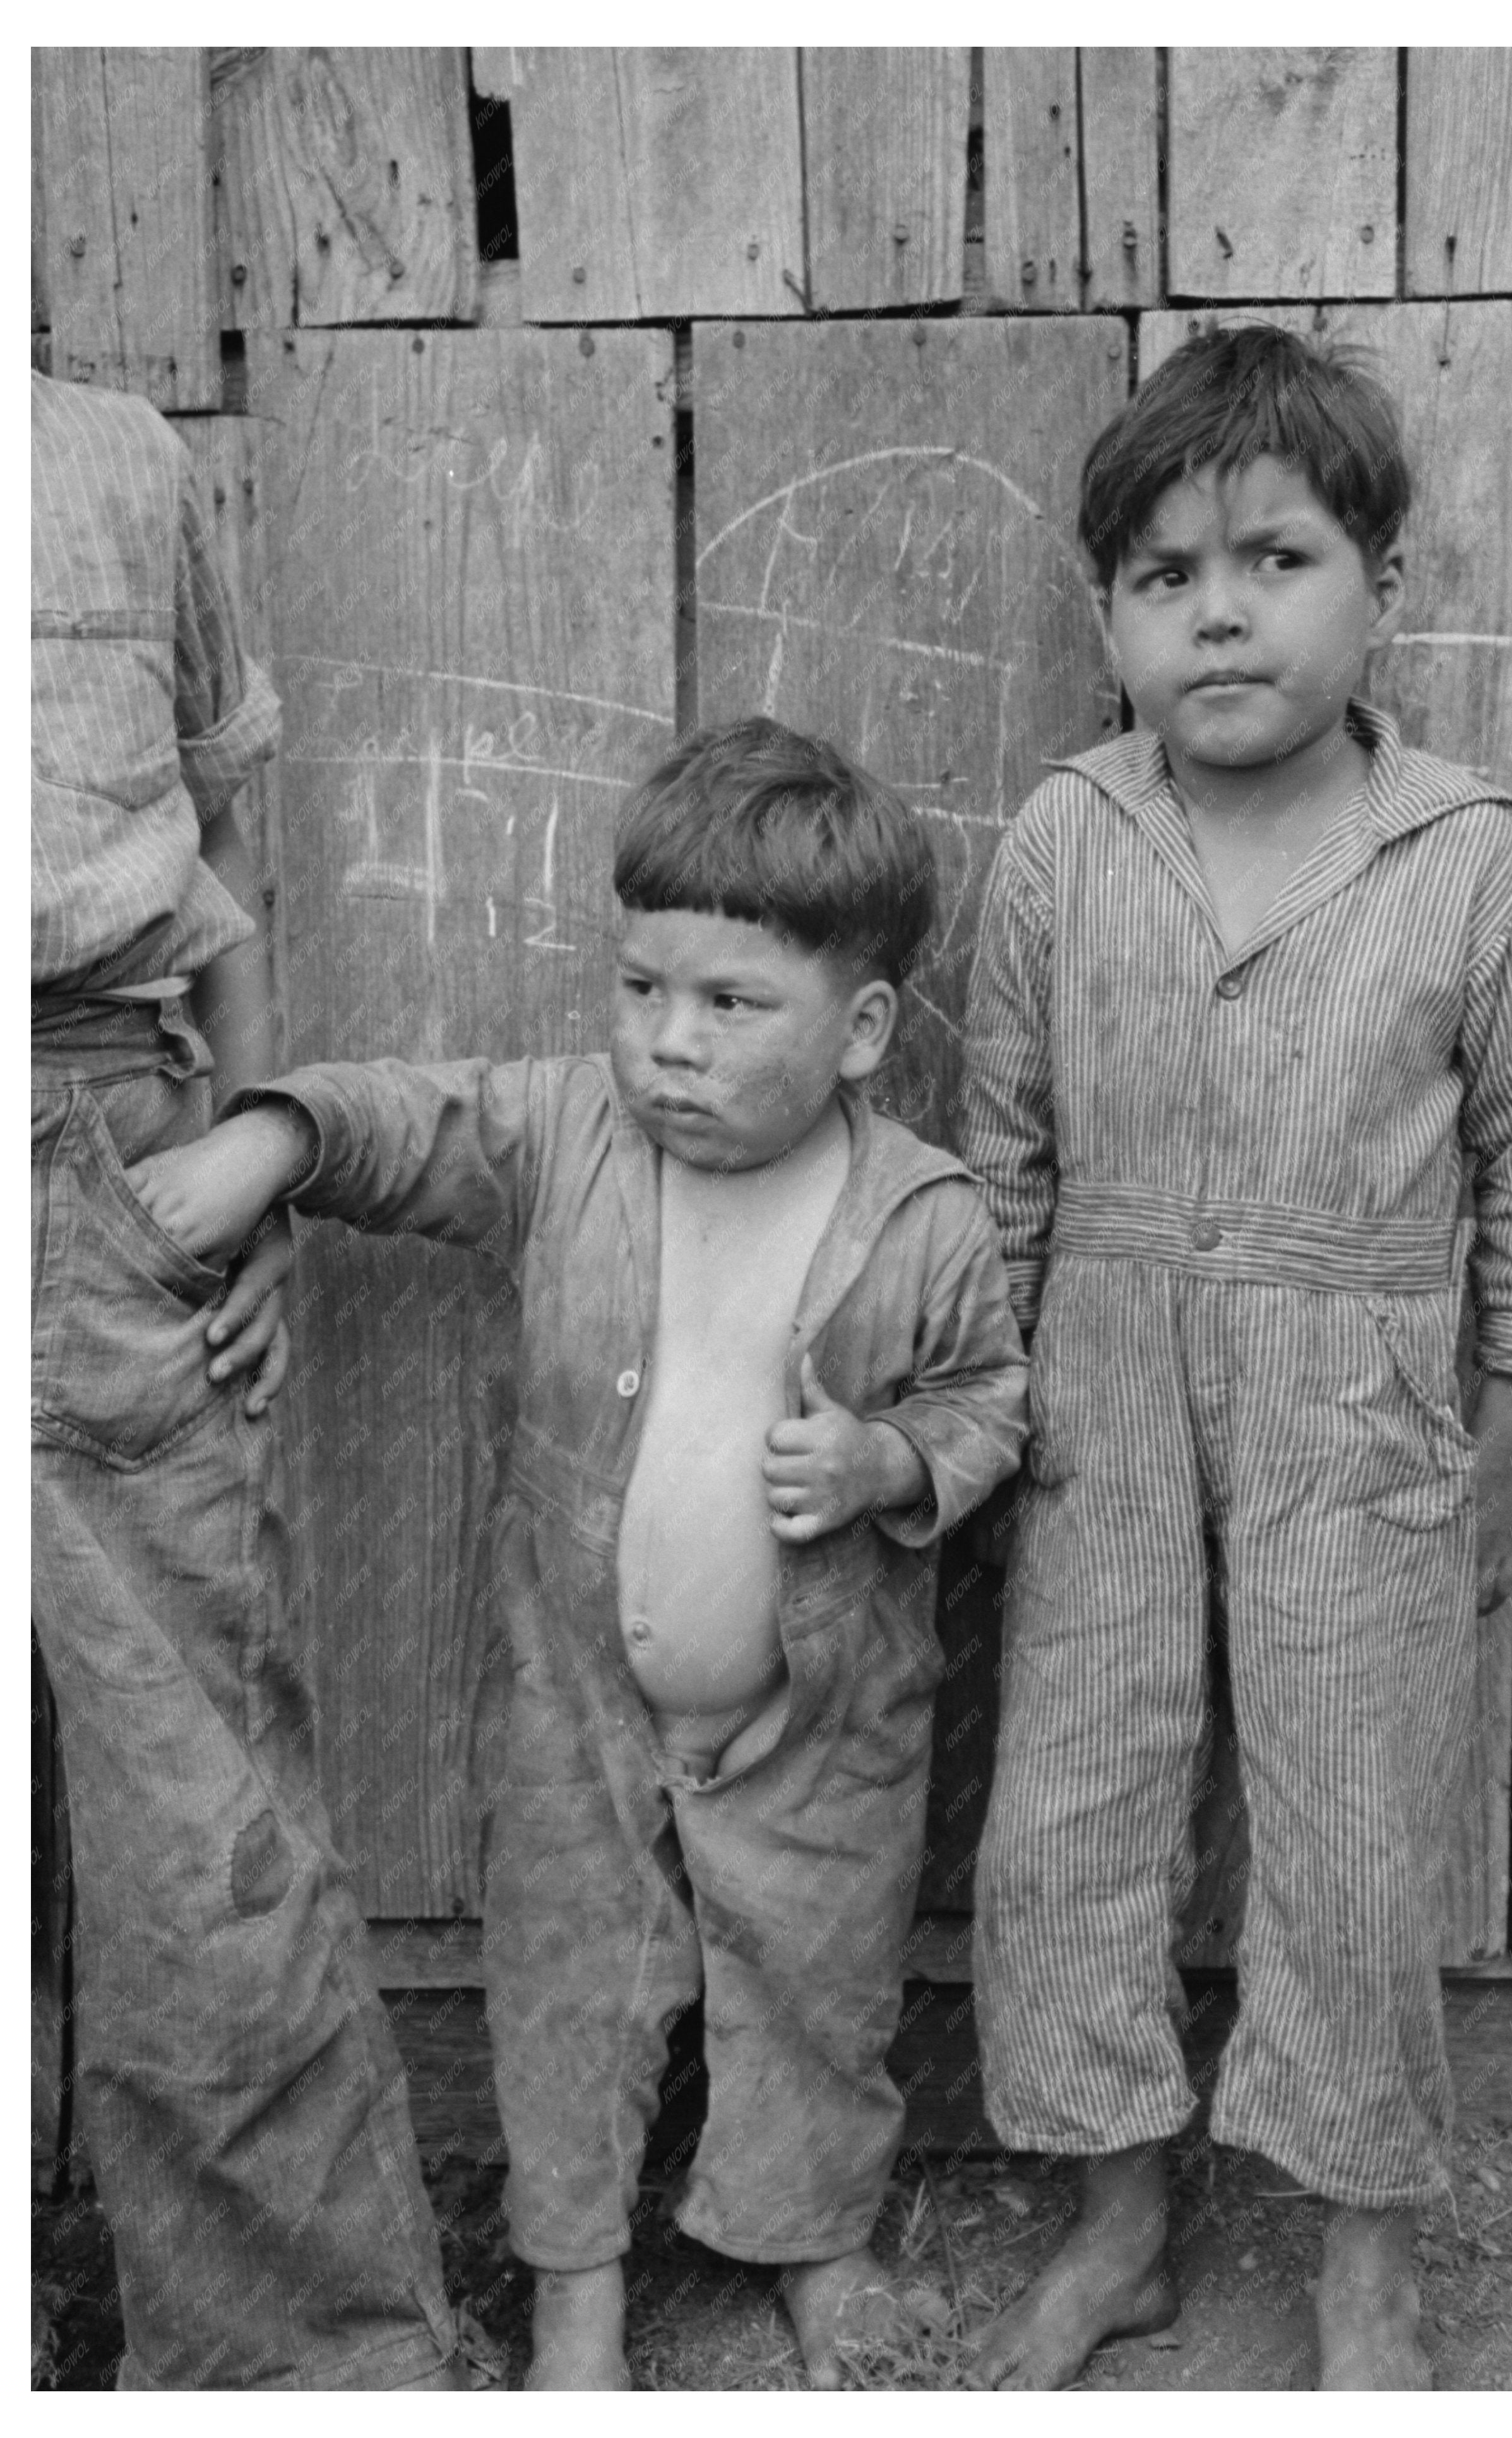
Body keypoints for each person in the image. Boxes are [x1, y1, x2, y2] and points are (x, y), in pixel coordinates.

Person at [127, 718, 1030, 2391]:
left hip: (824, 1724)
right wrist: (272, 1141)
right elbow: (403, 1121)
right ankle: (577, 2302)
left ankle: (811, 2245)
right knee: (565, 1997)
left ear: (863, 1029)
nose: (669, 1044)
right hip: (577, 1708)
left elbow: (992, 1405)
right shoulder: (562, 1137)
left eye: (730, 1005)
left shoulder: (928, 1218)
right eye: (640, 992)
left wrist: (888, 1458)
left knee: (820, 1994)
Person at [954, 324, 1512, 2391]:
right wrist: (985, 1412)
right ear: (1108, 619)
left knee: (1346, 1836)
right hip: (1102, 1393)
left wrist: (1511, 1445)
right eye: (1163, 577)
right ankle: (1122, 2222)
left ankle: (1365, 2264)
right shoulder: (1066, 838)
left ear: (1382, 585)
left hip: (1364, 1414)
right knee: (1076, 1809)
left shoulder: (1469, 859)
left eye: (1276, 557)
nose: (1219, 610)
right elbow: (1002, 1160)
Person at [30, 370, 463, 2389]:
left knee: (191, 1811)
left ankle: (297, 2374)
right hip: (102, 1149)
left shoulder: (111, 455)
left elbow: (215, 833)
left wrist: (257, 1172)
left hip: (98, 1149)